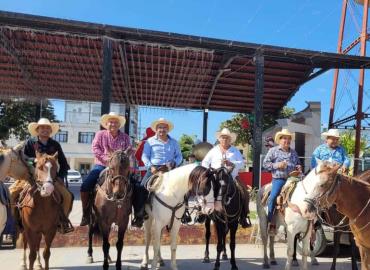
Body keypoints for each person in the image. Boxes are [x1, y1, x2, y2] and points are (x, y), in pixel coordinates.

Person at [9, 118, 74, 234]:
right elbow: (24, 159)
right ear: (37, 130)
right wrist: (33, 160)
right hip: (31, 177)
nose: (45, 130)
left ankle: (62, 221)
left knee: (68, 196)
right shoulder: (30, 143)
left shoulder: (55, 145)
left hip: (51, 179)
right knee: (12, 193)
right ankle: (14, 223)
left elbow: (64, 164)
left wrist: (60, 176)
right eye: (42, 128)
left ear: (50, 131)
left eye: (47, 128)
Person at [79, 112, 132, 226]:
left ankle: (135, 213)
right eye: (111, 122)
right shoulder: (100, 134)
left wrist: (123, 160)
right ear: (106, 124)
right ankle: (86, 213)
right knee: (85, 186)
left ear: (119, 125)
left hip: (120, 169)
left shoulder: (125, 137)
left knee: (135, 185)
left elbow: (129, 150)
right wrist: (107, 160)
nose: (113, 124)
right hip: (102, 165)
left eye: (115, 122)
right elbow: (95, 148)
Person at [132, 118, 183, 227]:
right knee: (141, 188)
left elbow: (179, 156)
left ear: (168, 129)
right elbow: (144, 156)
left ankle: (184, 213)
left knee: (183, 187)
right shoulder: (150, 141)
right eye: (160, 127)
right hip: (154, 169)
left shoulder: (174, 142)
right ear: (156, 129)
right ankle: (139, 214)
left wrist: (175, 162)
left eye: (164, 127)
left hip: (170, 170)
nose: (162, 130)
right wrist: (150, 167)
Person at [202, 128, 251, 228]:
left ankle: (244, 215)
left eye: (227, 138)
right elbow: (205, 162)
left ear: (230, 140)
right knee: (205, 190)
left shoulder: (235, 151)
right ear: (219, 139)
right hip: (215, 177)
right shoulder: (213, 150)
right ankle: (203, 213)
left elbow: (241, 164)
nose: (225, 140)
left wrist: (231, 163)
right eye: (223, 137)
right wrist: (210, 172)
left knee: (244, 191)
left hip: (232, 177)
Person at [263, 128, 301, 234]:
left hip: (293, 179)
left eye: (289, 139)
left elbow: (298, 164)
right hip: (279, 179)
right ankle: (270, 223)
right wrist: (277, 165)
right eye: (284, 138)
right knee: (273, 197)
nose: (287, 141)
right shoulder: (273, 150)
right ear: (279, 140)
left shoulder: (294, 152)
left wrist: (299, 169)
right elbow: (265, 164)